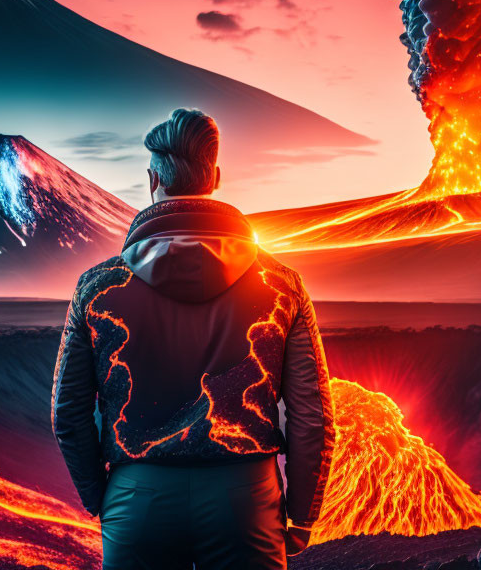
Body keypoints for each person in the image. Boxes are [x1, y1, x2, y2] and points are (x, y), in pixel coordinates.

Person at [52, 108, 335, 569]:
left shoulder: (97, 288)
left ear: (151, 180)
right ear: (216, 176)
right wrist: (301, 518)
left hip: (136, 497)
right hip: (245, 499)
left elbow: (68, 413)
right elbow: (313, 414)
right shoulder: (282, 284)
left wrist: (102, 500)